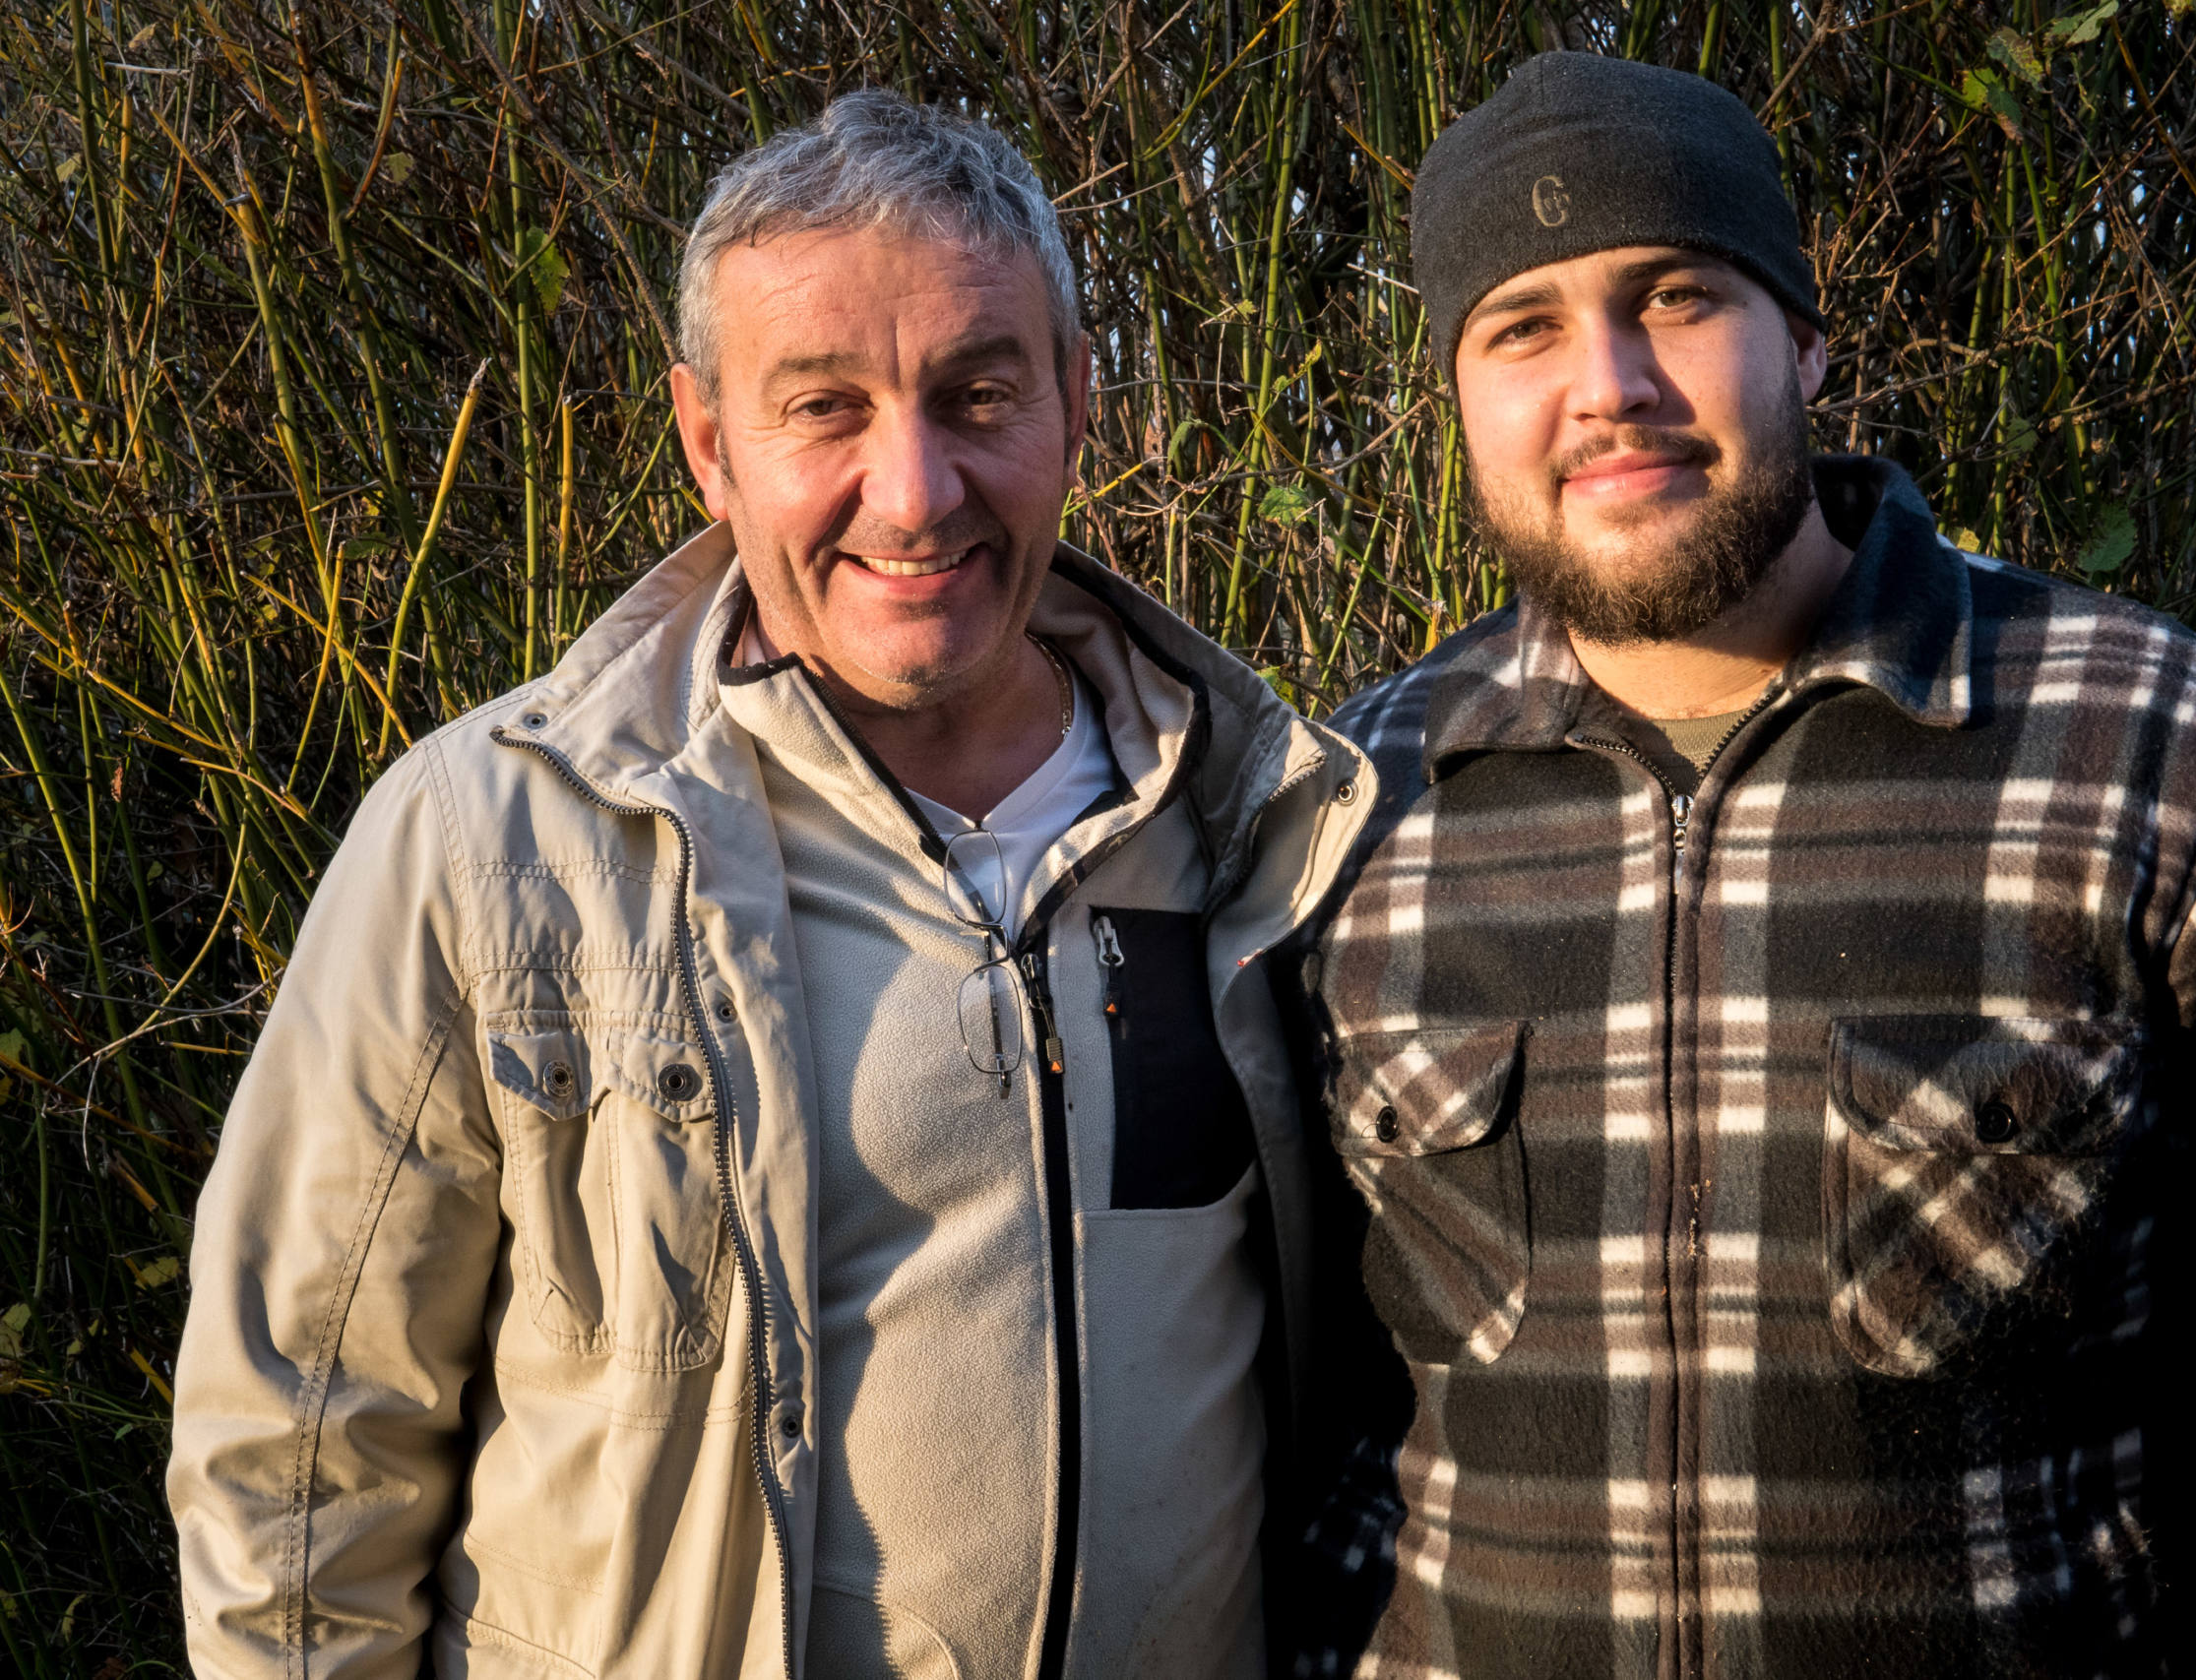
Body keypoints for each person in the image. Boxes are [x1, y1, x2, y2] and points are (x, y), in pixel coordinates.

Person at [1300, 51, 2196, 1679]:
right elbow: (1302, 1389)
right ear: (1459, 397)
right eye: (1523, 328)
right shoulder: (1351, 808)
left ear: (1804, 337)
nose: (1610, 385)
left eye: (1676, 297)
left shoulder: (2169, 754)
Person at [167, 90, 1375, 1679]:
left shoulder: (1264, 824)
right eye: (825, 408)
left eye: (978, 392)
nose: (916, 490)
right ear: (707, 442)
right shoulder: (496, 846)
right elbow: (302, 1451)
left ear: (1080, 404)